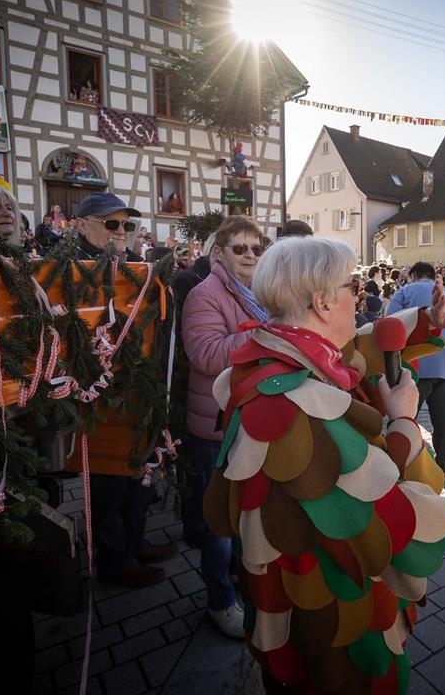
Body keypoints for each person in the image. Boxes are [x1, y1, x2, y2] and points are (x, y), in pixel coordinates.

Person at [205, 236, 445, 692]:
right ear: (323, 302)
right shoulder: (292, 401)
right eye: (352, 288)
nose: (358, 299)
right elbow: (380, 514)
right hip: (335, 617)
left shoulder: (282, 351)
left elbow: (356, 347)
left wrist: (422, 321)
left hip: (308, 607)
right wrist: (402, 420)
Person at [69, 192, 178, 587]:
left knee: (137, 478)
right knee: (108, 486)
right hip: (97, 396)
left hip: (136, 389)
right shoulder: (69, 266)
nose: (121, 231)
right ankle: (115, 563)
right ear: (81, 225)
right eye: (110, 223)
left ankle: (136, 544)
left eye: (126, 225)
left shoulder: (135, 268)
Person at [181, 216, 271, 639]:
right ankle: (219, 602)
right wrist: (264, 334)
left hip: (247, 420)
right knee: (218, 522)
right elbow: (206, 355)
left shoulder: (258, 293)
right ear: (219, 253)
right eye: (240, 248)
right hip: (213, 426)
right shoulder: (205, 294)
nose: (251, 255)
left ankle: (238, 580)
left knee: (242, 514)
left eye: (256, 248)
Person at [387, 261, 445, 479]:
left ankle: (401, 468)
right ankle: (444, 469)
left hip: (417, 365)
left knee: (404, 418)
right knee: (443, 421)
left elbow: (388, 325)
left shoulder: (404, 291)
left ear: (412, 276)